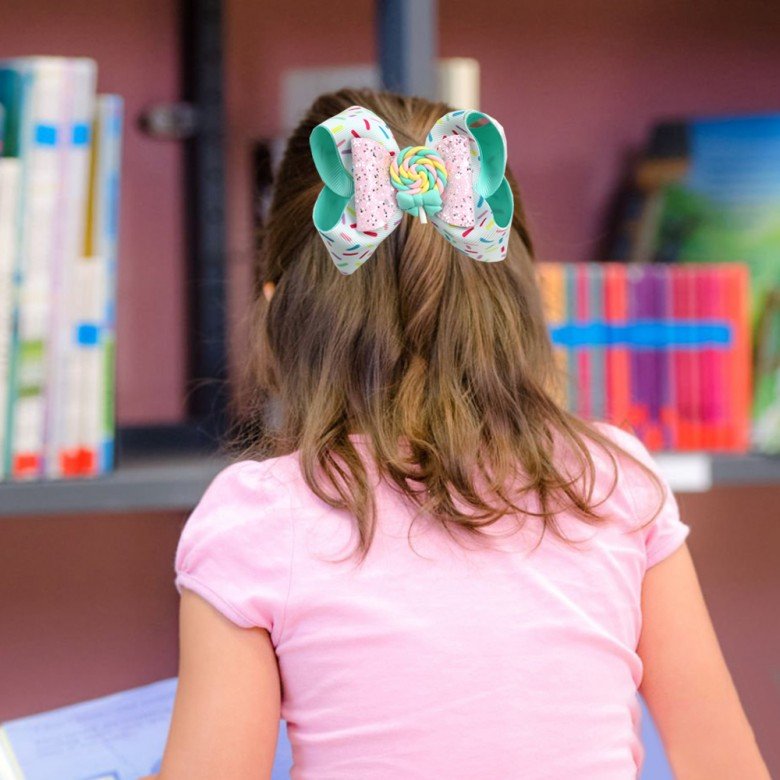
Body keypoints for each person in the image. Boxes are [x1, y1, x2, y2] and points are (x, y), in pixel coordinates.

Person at [155, 89, 768, 779]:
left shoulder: (257, 519)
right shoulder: (616, 479)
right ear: (526, 298)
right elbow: (726, 766)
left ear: (277, 309)